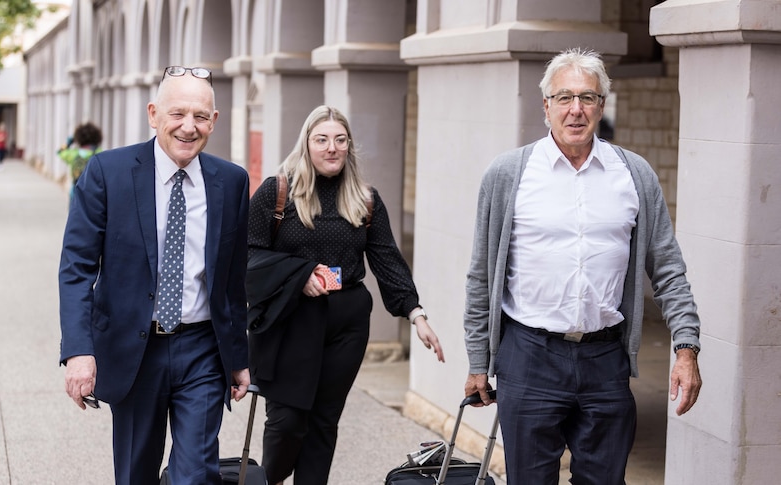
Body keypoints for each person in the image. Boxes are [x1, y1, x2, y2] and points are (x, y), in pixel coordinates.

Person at [462, 47, 702, 484]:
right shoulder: (508, 174)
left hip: (605, 359)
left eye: (588, 98)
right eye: (565, 97)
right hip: (529, 356)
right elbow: (481, 276)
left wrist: (686, 348)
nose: (576, 109)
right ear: (546, 106)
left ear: (602, 106)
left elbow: (667, 267)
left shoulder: (634, 175)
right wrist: (479, 361)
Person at [59, 66, 251, 484]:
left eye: (201, 116)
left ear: (214, 121)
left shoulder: (232, 182)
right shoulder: (107, 173)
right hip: (133, 350)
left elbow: (233, 281)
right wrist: (78, 351)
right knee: (135, 473)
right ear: (153, 114)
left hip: (202, 349)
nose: (188, 126)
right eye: (177, 113)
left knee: (196, 474)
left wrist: (238, 357)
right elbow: (76, 269)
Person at [247, 105, 445, 485]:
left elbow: (386, 258)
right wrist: (299, 275)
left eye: (340, 140)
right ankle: (269, 479)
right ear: (306, 144)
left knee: (323, 419)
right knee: (288, 420)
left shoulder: (365, 199)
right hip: (291, 318)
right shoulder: (278, 191)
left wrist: (416, 314)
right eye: (322, 139)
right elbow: (249, 252)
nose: (331, 148)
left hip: (347, 320)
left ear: (349, 146)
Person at [57, 122, 104, 199]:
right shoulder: (99, 152)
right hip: (95, 190)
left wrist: (69, 141)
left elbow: (60, 152)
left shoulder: (74, 154)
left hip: (76, 190)